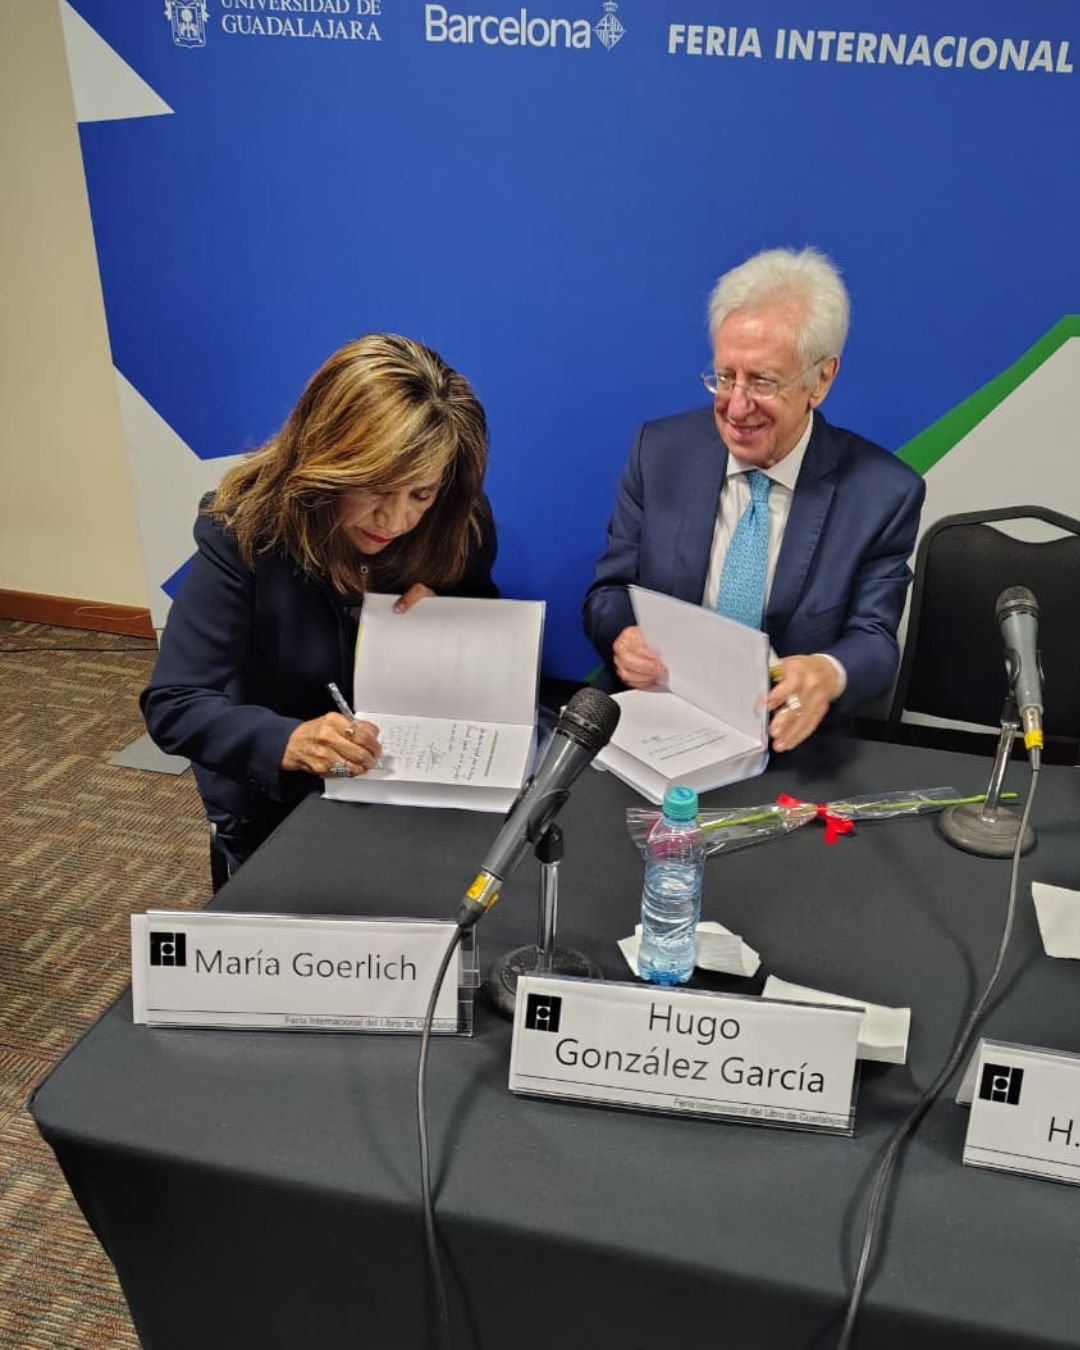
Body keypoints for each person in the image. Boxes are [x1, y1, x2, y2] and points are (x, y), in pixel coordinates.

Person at [142, 333, 498, 872]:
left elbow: (481, 603)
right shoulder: (244, 534)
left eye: (420, 494)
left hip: (406, 778)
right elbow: (174, 703)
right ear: (329, 460)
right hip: (275, 800)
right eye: (377, 488)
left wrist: (445, 596)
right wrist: (287, 739)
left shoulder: (454, 519)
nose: (396, 520)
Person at [583, 246, 925, 752]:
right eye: (725, 377)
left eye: (762, 381)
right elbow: (607, 595)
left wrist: (827, 671)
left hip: (788, 742)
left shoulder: (882, 493)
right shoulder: (658, 453)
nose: (736, 407)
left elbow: (874, 639)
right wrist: (622, 637)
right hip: (659, 718)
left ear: (821, 379)